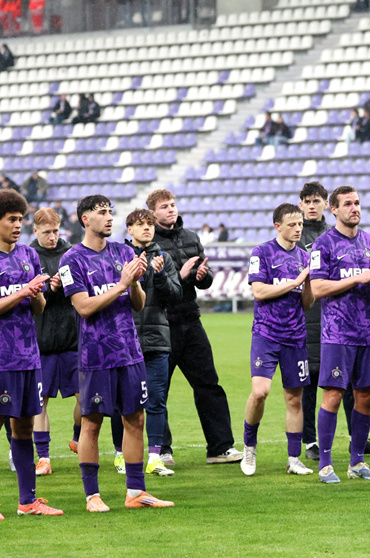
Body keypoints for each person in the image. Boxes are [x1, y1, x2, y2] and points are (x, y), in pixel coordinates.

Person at [59, 194, 173, 511]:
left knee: (135, 419)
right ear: (85, 219)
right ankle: (92, 495)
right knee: (92, 424)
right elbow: (83, 307)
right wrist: (123, 284)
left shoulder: (124, 251)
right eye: (101, 213)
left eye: (111, 212)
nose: (109, 217)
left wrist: (135, 284)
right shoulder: (72, 260)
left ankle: (136, 492)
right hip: (96, 356)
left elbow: (137, 304)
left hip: (130, 352)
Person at [148, 189, 243, 466]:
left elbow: (205, 279)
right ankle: (162, 450)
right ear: (153, 213)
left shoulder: (191, 237)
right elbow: (152, 287)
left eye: (173, 205)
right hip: (162, 323)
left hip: (191, 319)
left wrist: (203, 276)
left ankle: (220, 447)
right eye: (164, 206)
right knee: (158, 390)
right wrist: (181, 275)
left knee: (209, 384)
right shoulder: (148, 241)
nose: (170, 210)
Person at [297, 182, 370, 462]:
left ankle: (357, 461)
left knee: (366, 396)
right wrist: (357, 278)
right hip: (337, 333)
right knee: (334, 396)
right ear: (333, 209)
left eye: (357, 203)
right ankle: (324, 462)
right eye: (348, 204)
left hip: (367, 333)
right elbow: (319, 288)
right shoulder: (324, 243)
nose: (354, 208)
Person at [0, 190, 63, 517]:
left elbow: (37, 309)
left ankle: (27, 502)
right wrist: (23, 291)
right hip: (0, 359)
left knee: (23, 429)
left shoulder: (27, 255)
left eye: (20, 219)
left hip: (27, 356)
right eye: (11, 219)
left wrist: (38, 293)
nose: (18, 225)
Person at [241, 204, 314, 477]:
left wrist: (307, 284)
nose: (298, 228)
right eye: (292, 224)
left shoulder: (306, 257)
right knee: (260, 392)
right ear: (278, 226)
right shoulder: (262, 252)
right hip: (266, 334)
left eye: (300, 224)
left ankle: (293, 459)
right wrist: (296, 280)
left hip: (295, 336)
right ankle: (249, 447)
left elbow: (307, 304)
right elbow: (259, 291)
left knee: (294, 399)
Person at [124, 208, 182, 477]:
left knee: (157, 400)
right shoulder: (119, 257)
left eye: (149, 224)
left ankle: (156, 457)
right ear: (130, 229)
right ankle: (120, 455)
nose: (146, 228)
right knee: (124, 403)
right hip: (126, 340)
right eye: (140, 224)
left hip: (158, 339)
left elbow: (175, 298)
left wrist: (159, 276)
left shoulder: (163, 258)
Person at [30, 208, 80, 477]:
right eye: (46, 232)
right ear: (35, 231)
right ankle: (44, 457)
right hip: (43, 340)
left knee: (86, 398)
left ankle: (77, 437)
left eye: (55, 231)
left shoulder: (71, 253)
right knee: (41, 402)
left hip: (73, 339)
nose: (52, 237)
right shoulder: (27, 256)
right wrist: (48, 289)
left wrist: (67, 286)